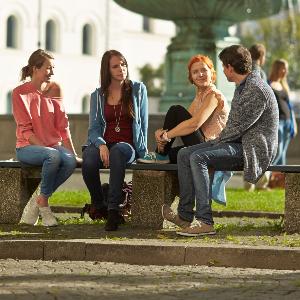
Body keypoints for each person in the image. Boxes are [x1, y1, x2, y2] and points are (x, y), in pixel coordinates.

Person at [162, 45, 279, 237]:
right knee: (184, 154)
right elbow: (233, 128)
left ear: (230, 67)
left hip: (253, 150)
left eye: (224, 67)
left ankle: (205, 221)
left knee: (198, 157)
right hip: (237, 143)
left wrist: (212, 144)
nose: (223, 71)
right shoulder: (244, 86)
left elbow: (237, 127)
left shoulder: (255, 89)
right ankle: (184, 215)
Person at [81, 49, 148, 231]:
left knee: (118, 151)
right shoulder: (98, 95)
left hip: (127, 147)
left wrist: (144, 153)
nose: (121, 69)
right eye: (116, 66)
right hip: (104, 142)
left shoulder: (138, 90)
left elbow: (143, 123)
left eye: (124, 64)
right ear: (107, 70)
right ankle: (99, 203)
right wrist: (101, 144)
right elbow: (94, 128)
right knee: (88, 159)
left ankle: (113, 210)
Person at [12, 49, 78, 227]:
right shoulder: (20, 93)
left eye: (53, 68)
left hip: (52, 147)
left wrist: (72, 153)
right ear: (35, 68)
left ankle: (39, 200)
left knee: (70, 161)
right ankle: (45, 206)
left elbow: (63, 126)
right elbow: (25, 130)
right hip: (27, 148)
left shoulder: (55, 89)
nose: (52, 72)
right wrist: (46, 149)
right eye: (48, 68)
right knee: (53, 155)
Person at [137, 54, 229, 164]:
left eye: (204, 70)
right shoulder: (199, 97)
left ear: (212, 73)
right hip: (202, 145)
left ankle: (160, 154)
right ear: (191, 78)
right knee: (171, 155)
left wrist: (166, 136)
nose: (200, 74)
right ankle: (161, 154)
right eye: (195, 72)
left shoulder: (214, 95)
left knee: (176, 110)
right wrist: (160, 133)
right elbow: (182, 123)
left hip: (212, 148)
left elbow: (194, 124)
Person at [246, 43, 269, 190]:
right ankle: (261, 183)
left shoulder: (245, 70)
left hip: (248, 117)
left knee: (250, 152)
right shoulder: (259, 72)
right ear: (261, 56)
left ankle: (249, 184)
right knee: (261, 152)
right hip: (258, 119)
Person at [269, 59, 298, 165]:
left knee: (283, 154)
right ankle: (265, 175)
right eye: (284, 68)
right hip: (278, 123)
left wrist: (294, 124)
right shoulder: (268, 84)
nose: (286, 71)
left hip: (288, 122)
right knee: (278, 151)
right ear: (277, 68)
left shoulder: (284, 85)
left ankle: (279, 180)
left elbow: (290, 107)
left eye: (287, 69)